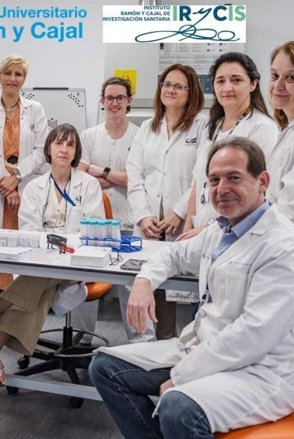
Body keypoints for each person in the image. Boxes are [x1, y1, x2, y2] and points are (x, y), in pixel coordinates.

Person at [90, 137, 294, 439]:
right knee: (105, 367)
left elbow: (252, 336)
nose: (221, 188)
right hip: (203, 349)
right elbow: (172, 254)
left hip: (260, 371)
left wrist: (183, 376)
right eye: (214, 180)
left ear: (262, 181)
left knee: (179, 408)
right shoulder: (222, 229)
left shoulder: (281, 245)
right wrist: (144, 282)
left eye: (233, 177)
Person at [0, 124, 105, 387]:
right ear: (48, 149)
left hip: (76, 264)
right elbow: (30, 232)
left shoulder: (89, 185)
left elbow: (92, 231)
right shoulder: (35, 187)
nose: (64, 149)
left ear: (76, 152)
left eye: (70, 144)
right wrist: (52, 248)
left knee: (38, 279)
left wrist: (60, 246)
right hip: (44, 261)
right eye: (58, 143)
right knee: (40, 286)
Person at [126, 64, 207, 340]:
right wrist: (142, 216)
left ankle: (178, 346)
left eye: (179, 86)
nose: (170, 90)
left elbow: (201, 175)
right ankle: (151, 348)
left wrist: (180, 212)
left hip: (182, 219)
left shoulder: (203, 127)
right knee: (151, 284)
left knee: (181, 285)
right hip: (150, 218)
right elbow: (134, 174)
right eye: (166, 84)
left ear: (191, 93)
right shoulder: (147, 128)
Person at [77, 76, 154, 345]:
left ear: (129, 101)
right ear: (102, 101)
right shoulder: (89, 136)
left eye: (120, 98)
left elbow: (140, 179)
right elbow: (82, 178)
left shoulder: (141, 135)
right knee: (85, 280)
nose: (114, 103)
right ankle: (82, 339)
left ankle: (140, 342)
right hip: (94, 223)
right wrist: (120, 178)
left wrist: (102, 172)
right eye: (109, 98)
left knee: (133, 285)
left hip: (129, 221)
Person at [181, 52, 279, 240]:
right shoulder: (213, 127)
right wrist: (189, 225)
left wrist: (206, 229)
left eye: (236, 80)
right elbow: (198, 180)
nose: (227, 88)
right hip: (200, 230)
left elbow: (258, 191)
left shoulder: (262, 128)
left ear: (253, 84)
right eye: (220, 81)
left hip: (237, 232)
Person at [0, 55, 47, 300]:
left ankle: (17, 309)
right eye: (8, 73)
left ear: (24, 79)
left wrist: (16, 177)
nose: (12, 79)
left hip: (24, 187)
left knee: (22, 250)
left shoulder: (35, 109)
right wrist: (6, 184)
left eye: (18, 74)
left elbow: (41, 150)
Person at [267, 42, 294, 218]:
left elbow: (288, 212)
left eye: (291, 78)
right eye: (274, 75)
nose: (278, 85)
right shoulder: (287, 131)